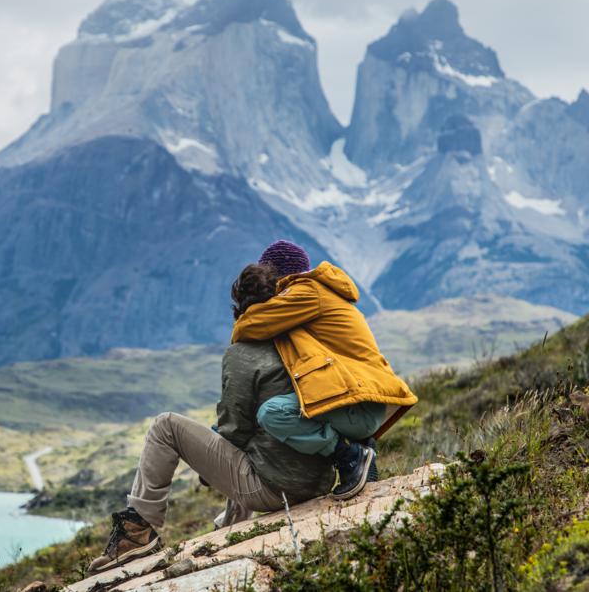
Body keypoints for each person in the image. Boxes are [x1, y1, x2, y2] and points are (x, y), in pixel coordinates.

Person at [88, 265, 336, 574]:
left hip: (277, 488)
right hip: (321, 478)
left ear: (239, 308)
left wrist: (209, 462)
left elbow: (234, 429)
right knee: (255, 443)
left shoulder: (243, 352)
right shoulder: (302, 339)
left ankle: (138, 530)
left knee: (166, 425)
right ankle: (227, 529)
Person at [231, 240, 418, 500]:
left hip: (359, 406)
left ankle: (350, 455)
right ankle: (360, 448)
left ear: (278, 277)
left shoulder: (307, 292)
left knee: (272, 413)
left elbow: (248, 325)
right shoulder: (318, 293)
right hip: (363, 401)